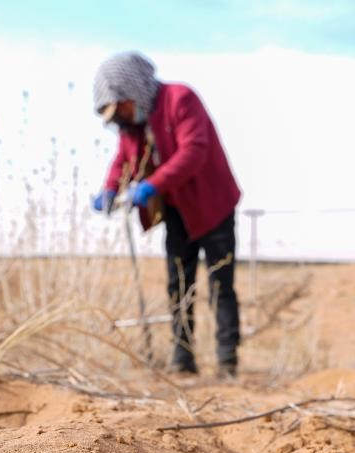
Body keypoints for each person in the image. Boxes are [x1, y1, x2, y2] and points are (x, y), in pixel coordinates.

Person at [91, 52, 242, 377]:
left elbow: (194, 152)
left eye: (121, 108)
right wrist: (110, 189)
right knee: (179, 285)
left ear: (133, 91)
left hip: (212, 205)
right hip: (176, 212)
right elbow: (122, 160)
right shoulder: (132, 126)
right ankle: (183, 361)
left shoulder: (180, 99)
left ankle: (227, 363)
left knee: (221, 283)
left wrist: (150, 186)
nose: (120, 118)